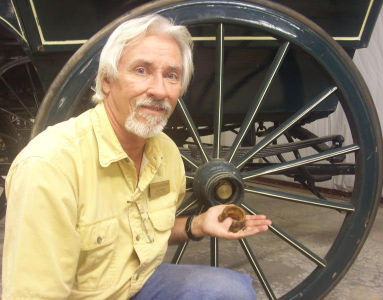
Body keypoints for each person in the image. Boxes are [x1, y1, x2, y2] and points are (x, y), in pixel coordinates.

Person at [2, 15, 272, 299]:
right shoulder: (50, 166)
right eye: (141, 70)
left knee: (232, 292)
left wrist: (198, 224)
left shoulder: (166, 153)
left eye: (171, 76)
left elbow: (142, 235)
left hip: (136, 284)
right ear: (107, 81)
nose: (159, 90)